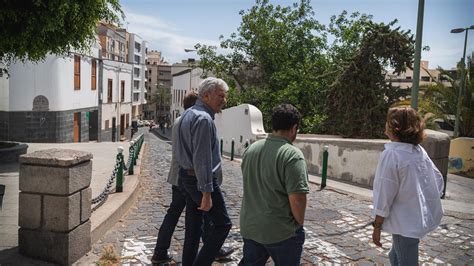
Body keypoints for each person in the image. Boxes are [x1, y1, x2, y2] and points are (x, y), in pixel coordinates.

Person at [151, 91, 234, 264]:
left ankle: (161, 251)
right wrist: (207, 188)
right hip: (190, 177)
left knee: (191, 221)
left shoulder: (181, 119)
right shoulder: (199, 120)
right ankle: (208, 252)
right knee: (211, 220)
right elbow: (200, 157)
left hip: (179, 175)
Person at [372, 107, 444, 265]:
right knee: (395, 255)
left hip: (404, 221)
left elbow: (384, 194)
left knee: (406, 259)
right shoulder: (418, 151)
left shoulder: (393, 154)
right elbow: (437, 179)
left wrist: (377, 226)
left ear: (394, 128)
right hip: (413, 218)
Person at [239, 104, 309, 265]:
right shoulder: (292, 154)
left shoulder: (252, 149)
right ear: (294, 128)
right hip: (280, 230)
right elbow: (298, 198)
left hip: (251, 226)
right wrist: (299, 224)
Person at [175, 77, 232, 265]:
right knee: (223, 225)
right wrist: (207, 192)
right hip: (199, 180)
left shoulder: (188, 114)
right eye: (220, 95)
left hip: (187, 178)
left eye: (225, 96)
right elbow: (202, 159)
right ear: (206, 95)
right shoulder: (203, 119)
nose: (224, 100)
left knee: (193, 229)